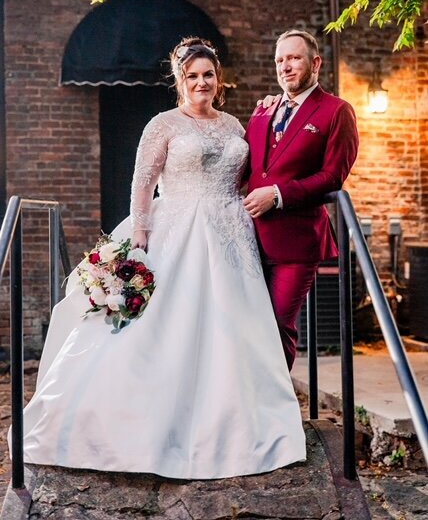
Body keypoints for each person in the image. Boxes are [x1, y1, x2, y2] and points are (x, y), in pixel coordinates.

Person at [17, 37, 306, 479]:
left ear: (218, 77)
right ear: (179, 80)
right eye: (192, 76)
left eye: (208, 74)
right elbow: (142, 182)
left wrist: (269, 107)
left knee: (234, 326)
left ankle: (233, 421)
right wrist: (141, 233)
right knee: (164, 326)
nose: (201, 82)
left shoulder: (234, 125)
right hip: (176, 229)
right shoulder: (164, 124)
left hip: (230, 234)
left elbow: (252, 167)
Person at [244, 29, 359, 371]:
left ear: (315, 63)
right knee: (244, 327)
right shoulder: (263, 111)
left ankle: (276, 411)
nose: (286, 67)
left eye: (294, 58)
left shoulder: (336, 111)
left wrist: (278, 196)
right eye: (280, 60)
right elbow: (249, 168)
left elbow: (332, 176)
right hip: (248, 239)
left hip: (297, 243)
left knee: (278, 325)